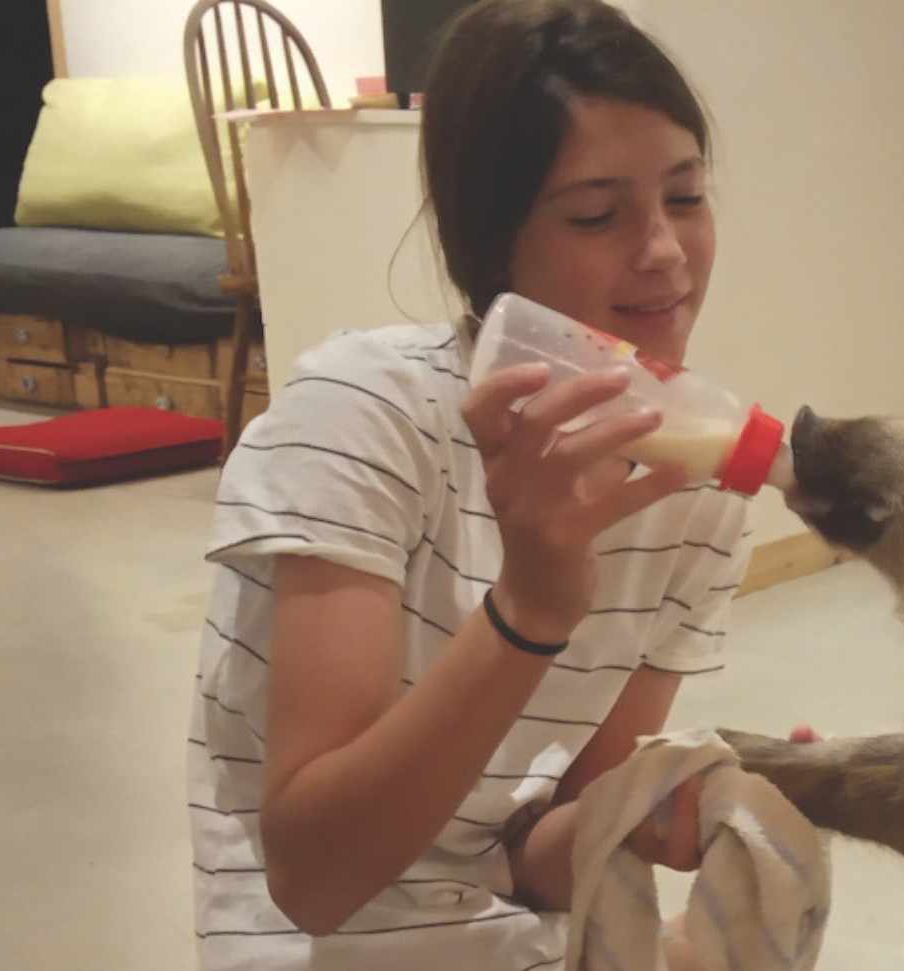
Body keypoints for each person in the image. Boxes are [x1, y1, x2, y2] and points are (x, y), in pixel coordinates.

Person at [185, 2, 759, 967]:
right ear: (492, 243)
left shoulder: (693, 496)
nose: (665, 251)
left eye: (687, 197)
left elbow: (529, 861)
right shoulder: (361, 418)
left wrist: (649, 814)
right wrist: (530, 605)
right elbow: (316, 881)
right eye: (597, 213)